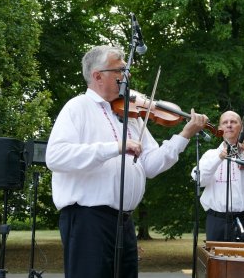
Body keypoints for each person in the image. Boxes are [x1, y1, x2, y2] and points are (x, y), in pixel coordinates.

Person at [46, 45, 209, 278]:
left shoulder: (130, 117)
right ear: (98, 75)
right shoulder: (77, 107)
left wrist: (184, 135)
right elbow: (56, 157)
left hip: (124, 222)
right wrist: (116, 147)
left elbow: (151, 165)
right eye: (120, 70)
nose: (126, 76)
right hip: (88, 220)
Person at [191, 110, 244, 242]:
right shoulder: (210, 154)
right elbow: (199, 179)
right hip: (216, 220)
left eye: (233, 122)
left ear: (242, 127)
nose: (229, 125)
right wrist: (219, 157)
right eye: (225, 122)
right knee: (216, 261)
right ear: (220, 128)